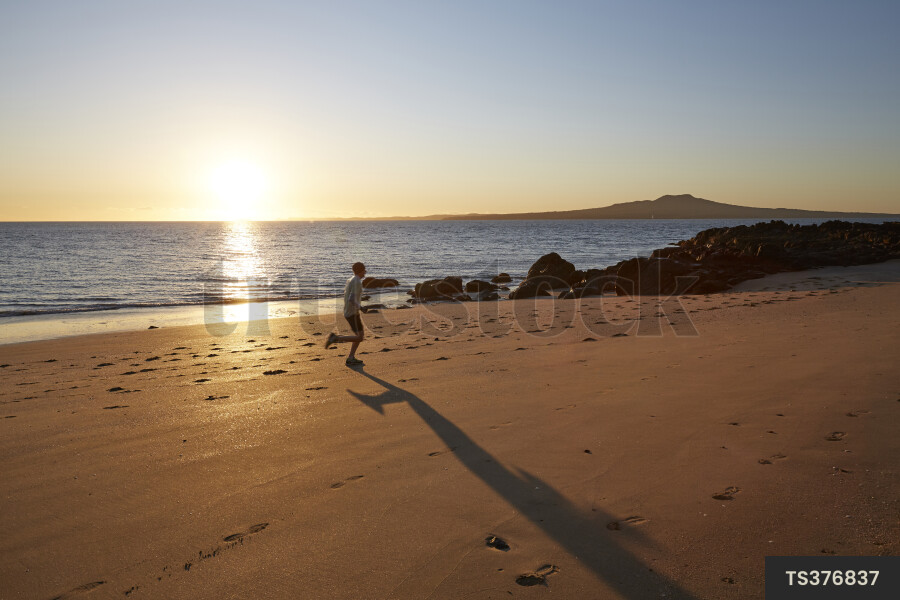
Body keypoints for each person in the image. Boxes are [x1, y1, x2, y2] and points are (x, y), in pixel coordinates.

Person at [325, 262, 367, 366]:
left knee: (358, 335)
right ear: (361, 271)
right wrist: (361, 307)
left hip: (349, 312)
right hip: (352, 313)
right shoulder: (357, 281)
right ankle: (336, 338)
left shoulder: (351, 279)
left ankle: (351, 357)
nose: (365, 272)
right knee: (360, 337)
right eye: (364, 270)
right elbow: (351, 298)